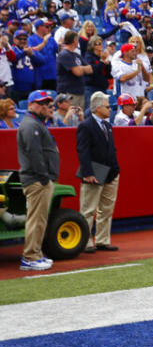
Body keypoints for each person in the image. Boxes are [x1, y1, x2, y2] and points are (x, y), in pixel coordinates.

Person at [16, 90, 59, 271]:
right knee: (37, 220)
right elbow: (35, 155)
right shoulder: (30, 125)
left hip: (39, 179)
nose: (45, 106)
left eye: (47, 103)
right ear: (31, 105)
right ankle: (30, 257)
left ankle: (36, 254)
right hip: (37, 180)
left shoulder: (36, 124)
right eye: (41, 103)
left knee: (40, 219)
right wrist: (44, 177)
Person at [77, 91, 121, 252]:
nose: (110, 109)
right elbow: (83, 151)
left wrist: (116, 169)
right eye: (108, 107)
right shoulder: (86, 125)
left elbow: (111, 149)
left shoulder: (107, 126)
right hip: (95, 170)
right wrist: (88, 172)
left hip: (110, 171)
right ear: (98, 108)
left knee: (107, 209)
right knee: (88, 209)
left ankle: (103, 240)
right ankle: (85, 241)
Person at [55, 29, 92, 109]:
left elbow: (90, 69)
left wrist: (80, 68)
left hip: (79, 92)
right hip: (69, 94)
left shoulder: (76, 55)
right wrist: (81, 69)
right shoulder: (64, 54)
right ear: (75, 40)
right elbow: (77, 72)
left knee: (79, 118)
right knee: (71, 118)